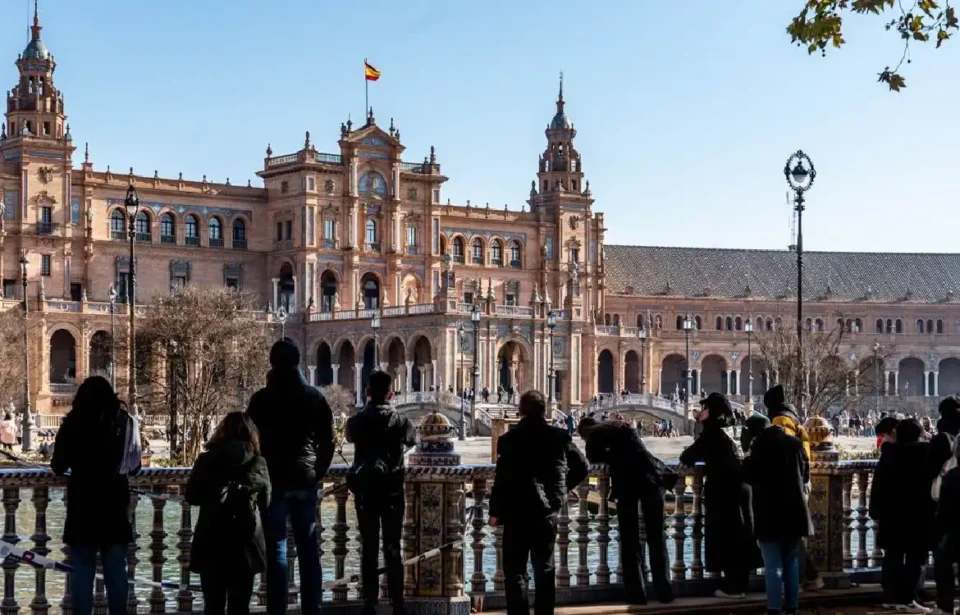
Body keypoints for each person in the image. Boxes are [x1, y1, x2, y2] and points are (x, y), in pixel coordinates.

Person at [246, 340, 334, 615]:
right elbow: (328, 441)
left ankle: (277, 610)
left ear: (271, 362)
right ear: (297, 362)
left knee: (276, 552)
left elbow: (250, 441)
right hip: (304, 479)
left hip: (272, 482)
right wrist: (317, 473)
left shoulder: (260, 399)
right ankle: (312, 608)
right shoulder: (314, 397)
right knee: (309, 550)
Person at [489, 390, 588, 615]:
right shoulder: (559, 437)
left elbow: (501, 480)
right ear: (545, 410)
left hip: (516, 512)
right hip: (546, 512)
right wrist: (561, 491)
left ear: (521, 411)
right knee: (544, 568)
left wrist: (494, 511)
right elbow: (582, 467)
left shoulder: (509, 440)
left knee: (515, 570)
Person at [51, 376, 141, 615]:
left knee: (82, 568)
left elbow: (58, 465)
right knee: (116, 569)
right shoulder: (124, 422)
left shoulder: (73, 423)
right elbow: (134, 465)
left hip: (84, 501)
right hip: (114, 501)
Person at [578, 416, 676, 605]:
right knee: (656, 537)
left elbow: (592, 457)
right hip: (652, 479)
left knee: (630, 540)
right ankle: (664, 591)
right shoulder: (624, 427)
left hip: (627, 484)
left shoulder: (595, 436)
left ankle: (636, 594)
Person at [346, 370, 417, 615]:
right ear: (390, 393)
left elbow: (348, 435)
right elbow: (413, 440)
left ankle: (370, 604)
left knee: (368, 549)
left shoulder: (356, 421)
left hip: (365, 492)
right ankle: (398, 604)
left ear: (367, 393)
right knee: (392, 548)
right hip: (392, 492)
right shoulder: (401, 421)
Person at [187, 412, 270, 615]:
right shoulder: (258, 463)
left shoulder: (206, 460)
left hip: (211, 539)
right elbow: (266, 502)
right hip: (245, 542)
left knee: (213, 604)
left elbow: (192, 496)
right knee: (240, 605)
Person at [679, 393, 757, 599]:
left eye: (703, 409)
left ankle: (734, 587)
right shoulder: (733, 430)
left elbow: (688, 456)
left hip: (726, 490)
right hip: (741, 489)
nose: (700, 412)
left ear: (712, 412)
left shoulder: (712, 433)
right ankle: (739, 583)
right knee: (740, 535)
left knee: (730, 535)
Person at [870, 418, 935, 612]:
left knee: (893, 556)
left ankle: (891, 597)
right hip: (918, 514)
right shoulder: (925, 454)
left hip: (892, 514)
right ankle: (908, 598)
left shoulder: (888, 454)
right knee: (917, 557)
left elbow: (877, 485)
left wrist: (876, 511)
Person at [763, 385, 820, 591]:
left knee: (788, 537)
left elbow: (783, 448)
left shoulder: (780, 420)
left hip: (789, 483)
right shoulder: (793, 417)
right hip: (800, 479)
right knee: (793, 534)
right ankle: (807, 576)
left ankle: (806, 577)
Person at [933, 436, 960, 615]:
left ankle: (945, 606)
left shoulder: (952, 476)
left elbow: (944, 510)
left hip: (955, 531)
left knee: (943, 567)